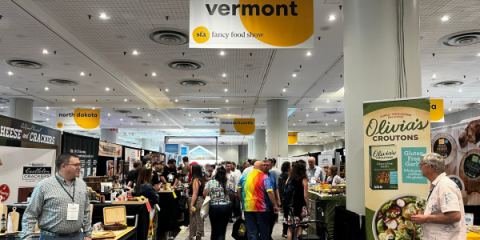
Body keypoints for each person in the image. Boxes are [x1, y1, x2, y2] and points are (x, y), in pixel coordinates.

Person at [22, 153, 92, 240]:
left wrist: (88, 234)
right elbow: (30, 214)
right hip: (51, 237)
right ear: (63, 166)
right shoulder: (44, 186)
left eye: (79, 164)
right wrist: (27, 238)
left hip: (78, 236)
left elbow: (86, 211)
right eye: (76, 165)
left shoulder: (82, 184)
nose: (80, 167)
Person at [411, 153, 466, 239]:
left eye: (421, 165)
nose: (420, 168)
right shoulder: (437, 185)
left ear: (429, 167)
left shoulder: (445, 186)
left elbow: (454, 216)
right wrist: (423, 215)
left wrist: (425, 218)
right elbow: (438, 211)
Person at [237, 161, 279, 240]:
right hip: (262, 208)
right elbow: (269, 191)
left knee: (251, 231)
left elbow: (238, 190)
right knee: (264, 230)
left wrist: (242, 201)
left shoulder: (244, 177)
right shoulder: (264, 177)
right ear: (262, 167)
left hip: (248, 207)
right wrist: (275, 204)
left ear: (253, 167)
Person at [204, 167, 234, 240]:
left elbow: (204, 193)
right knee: (222, 230)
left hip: (214, 208)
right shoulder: (228, 183)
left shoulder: (210, 182)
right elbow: (232, 195)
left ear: (216, 173)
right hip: (226, 207)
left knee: (214, 229)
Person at [284, 160, 309, 240]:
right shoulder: (303, 179)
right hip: (300, 205)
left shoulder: (289, 178)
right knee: (299, 227)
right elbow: (305, 195)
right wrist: (308, 208)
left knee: (290, 228)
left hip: (289, 206)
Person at [262, 159, 281, 240]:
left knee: (272, 221)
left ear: (270, 166)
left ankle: (269, 236)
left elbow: (276, 188)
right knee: (263, 222)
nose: (265, 167)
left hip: (272, 203)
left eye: (267, 165)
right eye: (264, 165)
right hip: (262, 203)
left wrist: (278, 199)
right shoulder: (260, 176)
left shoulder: (272, 175)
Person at [189, 164, 205, 240]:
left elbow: (195, 193)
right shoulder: (200, 178)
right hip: (200, 200)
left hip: (197, 202)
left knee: (197, 221)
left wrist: (191, 205)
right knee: (198, 221)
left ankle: (198, 238)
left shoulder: (195, 180)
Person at [279, 161, 292, 238]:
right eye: (291, 166)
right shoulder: (287, 176)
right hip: (286, 198)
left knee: (285, 216)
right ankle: (286, 231)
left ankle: (284, 231)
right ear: (288, 168)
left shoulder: (281, 175)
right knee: (287, 216)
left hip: (282, 197)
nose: (292, 168)